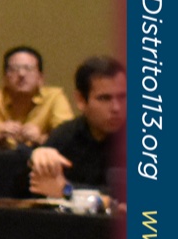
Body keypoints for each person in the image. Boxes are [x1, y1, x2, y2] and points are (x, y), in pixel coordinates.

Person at [31, 55, 125, 194]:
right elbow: (38, 186)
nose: (116, 108)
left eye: (123, 97)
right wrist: (36, 154)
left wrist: (66, 191)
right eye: (105, 98)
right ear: (81, 100)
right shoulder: (66, 136)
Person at [0, 46, 75, 149]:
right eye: (14, 69)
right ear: (4, 77)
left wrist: (40, 138)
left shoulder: (54, 97)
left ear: (40, 78)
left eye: (28, 69)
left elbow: (70, 138)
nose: (21, 74)